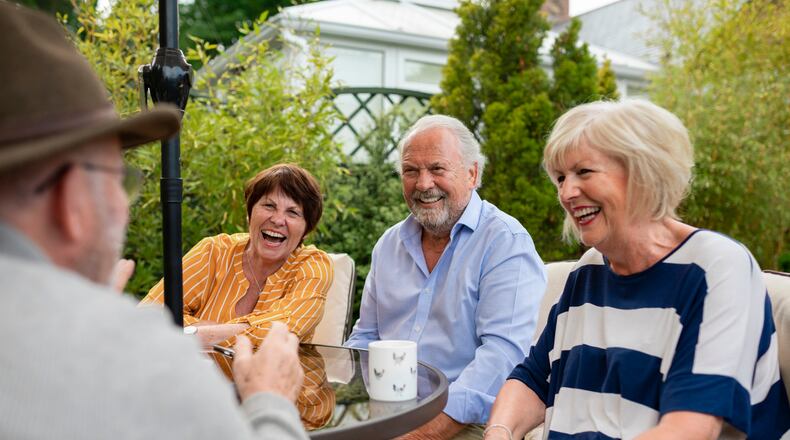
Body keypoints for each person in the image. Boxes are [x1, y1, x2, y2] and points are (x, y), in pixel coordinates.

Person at [0, 2, 308, 439]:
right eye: (118, 176)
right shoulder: (140, 360)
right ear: (71, 200)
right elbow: (157, 317)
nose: (124, 205)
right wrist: (272, 403)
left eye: (293, 211)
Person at [485, 99, 790, 440]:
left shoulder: (715, 269)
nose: (567, 192)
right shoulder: (588, 272)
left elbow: (691, 428)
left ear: (643, 173)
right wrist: (500, 431)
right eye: (560, 178)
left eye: (583, 172)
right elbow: (533, 380)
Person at [345, 115, 547, 439]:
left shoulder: (505, 242)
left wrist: (419, 434)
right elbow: (365, 339)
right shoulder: (389, 245)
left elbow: (503, 357)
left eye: (437, 169)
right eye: (411, 171)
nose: (424, 184)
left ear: (472, 173)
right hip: (388, 411)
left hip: (467, 422)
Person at [140, 163, 335, 428]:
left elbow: (283, 330)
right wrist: (217, 334)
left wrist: (194, 334)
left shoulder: (313, 265)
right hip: (201, 404)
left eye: (293, 212)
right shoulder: (214, 251)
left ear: (306, 228)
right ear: (250, 212)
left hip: (288, 410)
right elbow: (149, 316)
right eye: (268, 206)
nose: (278, 220)